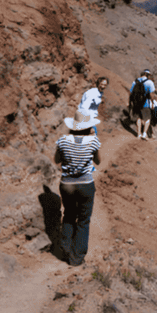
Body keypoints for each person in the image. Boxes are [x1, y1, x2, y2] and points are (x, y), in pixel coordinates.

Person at [53, 109, 101, 265]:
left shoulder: (63, 140)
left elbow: (57, 160)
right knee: (83, 220)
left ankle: (66, 250)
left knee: (68, 215)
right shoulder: (93, 141)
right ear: (88, 127)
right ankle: (76, 258)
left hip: (67, 184)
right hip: (85, 184)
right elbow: (98, 161)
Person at [128, 71, 155, 139]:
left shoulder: (135, 81)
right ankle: (144, 133)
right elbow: (152, 94)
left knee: (138, 118)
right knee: (148, 118)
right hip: (145, 103)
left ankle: (139, 134)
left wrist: (131, 102)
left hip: (136, 103)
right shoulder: (150, 82)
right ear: (147, 75)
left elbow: (131, 92)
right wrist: (152, 102)